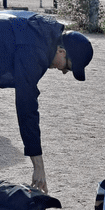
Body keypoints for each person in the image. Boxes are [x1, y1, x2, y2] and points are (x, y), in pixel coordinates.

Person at [0, 11, 93, 193]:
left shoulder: (42, 31)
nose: (64, 71)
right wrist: (39, 165)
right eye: (67, 66)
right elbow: (27, 108)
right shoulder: (35, 50)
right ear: (61, 51)